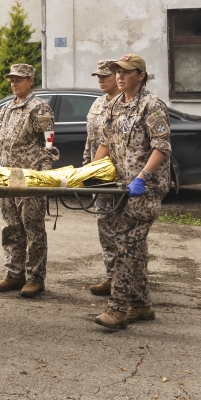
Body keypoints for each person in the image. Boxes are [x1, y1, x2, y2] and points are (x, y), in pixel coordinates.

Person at [92, 54, 172, 329]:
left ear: (141, 75)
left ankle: (117, 310)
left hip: (143, 191)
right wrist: (89, 173)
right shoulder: (115, 105)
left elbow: (161, 146)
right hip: (119, 190)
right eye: (117, 72)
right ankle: (142, 305)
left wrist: (143, 177)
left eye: (126, 72)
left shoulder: (152, 105)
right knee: (128, 246)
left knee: (126, 247)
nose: (119, 76)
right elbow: (106, 142)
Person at [0, 63, 59, 298]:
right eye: (12, 79)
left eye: (19, 79)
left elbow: (49, 145)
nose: (14, 83)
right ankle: (14, 273)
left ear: (31, 80)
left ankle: (35, 278)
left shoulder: (39, 108)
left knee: (33, 230)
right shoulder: (7, 109)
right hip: (7, 178)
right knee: (11, 228)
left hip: (30, 179)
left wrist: (43, 176)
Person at [84, 59, 120, 297]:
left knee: (125, 230)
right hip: (100, 176)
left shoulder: (126, 103)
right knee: (105, 226)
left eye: (104, 76)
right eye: (98, 76)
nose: (100, 80)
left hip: (121, 176)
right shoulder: (97, 104)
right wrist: (86, 170)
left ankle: (129, 278)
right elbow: (90, 141)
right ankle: (111, 276)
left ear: (117, 76)